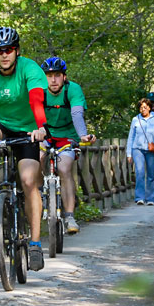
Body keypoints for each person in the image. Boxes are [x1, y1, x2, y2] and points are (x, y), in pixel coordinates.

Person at [0, 26, 50, 271]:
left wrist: (41, 126)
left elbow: (36, 98)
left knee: (28, 181)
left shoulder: (30, 68)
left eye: (8, 50)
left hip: (27, 128)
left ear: (16, 51)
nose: (4, 55)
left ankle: (36, 244)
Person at [40, 56, 96, 234]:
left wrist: (83, 136)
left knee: (64, 169)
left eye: (57, 75)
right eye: (49, 76)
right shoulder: (39, 91)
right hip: (46, 134)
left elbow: (77, 114)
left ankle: (70, 216)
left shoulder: (73, 90)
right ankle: (41, 190)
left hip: (68, 136)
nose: (53, 80)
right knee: (37, 158)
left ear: (64, 76)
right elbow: (31, 115)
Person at [126, 97, 154, 205]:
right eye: (141, 107)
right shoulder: (135, 120)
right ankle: (139, 197)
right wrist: (129, 153)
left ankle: (150, 198)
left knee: (151, 174)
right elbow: (131, 137)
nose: (143, 109)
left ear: (149, 108)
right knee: (139, 172)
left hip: (151, 149)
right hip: (137, 148)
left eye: (145, 107)